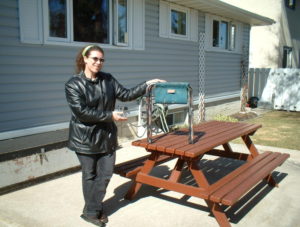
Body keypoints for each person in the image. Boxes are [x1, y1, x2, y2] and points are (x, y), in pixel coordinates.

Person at [65, 44, 165, 227]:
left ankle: (90, 210)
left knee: (105, 174)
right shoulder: (73, 84)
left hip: (106, 136)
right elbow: (81, 112)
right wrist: (110, 116)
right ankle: (93, 211)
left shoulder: (108, 79)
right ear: (85, 59)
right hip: (84, 138)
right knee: (90, 175)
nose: (98, 62)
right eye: (95, 58)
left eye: (101, 59)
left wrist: (147, 85)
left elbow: (126, 95)